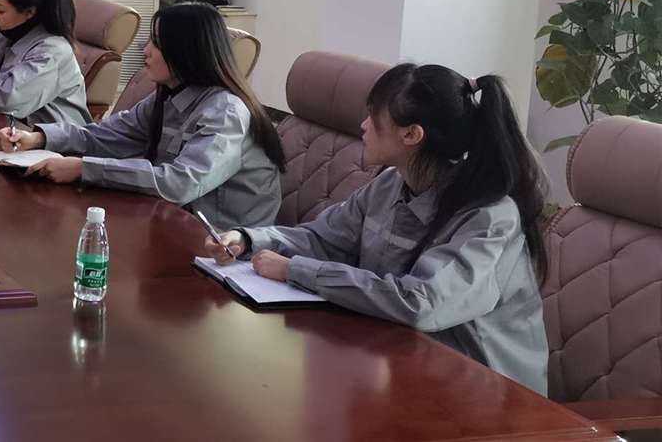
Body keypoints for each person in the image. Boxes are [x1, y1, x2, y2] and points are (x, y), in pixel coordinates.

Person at [202, 64, 550, 395]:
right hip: (401, 362)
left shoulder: (489, 217)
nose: (363, 125)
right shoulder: (389, 184)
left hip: (487, 392)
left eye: (374, 118)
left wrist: (295, 270)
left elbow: (421, 303)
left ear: (412, 134)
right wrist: (248, 239)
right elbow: (323, 238)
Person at [0, 1, 285, 228]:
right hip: (170, 222)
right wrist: (40, 138)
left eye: (156, 43)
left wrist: (85, 168)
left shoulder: (226, 112)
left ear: (187, 50)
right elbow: (106, 134)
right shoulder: (169, 95)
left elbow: (180, 184)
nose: (145, 51)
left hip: (223, 248)